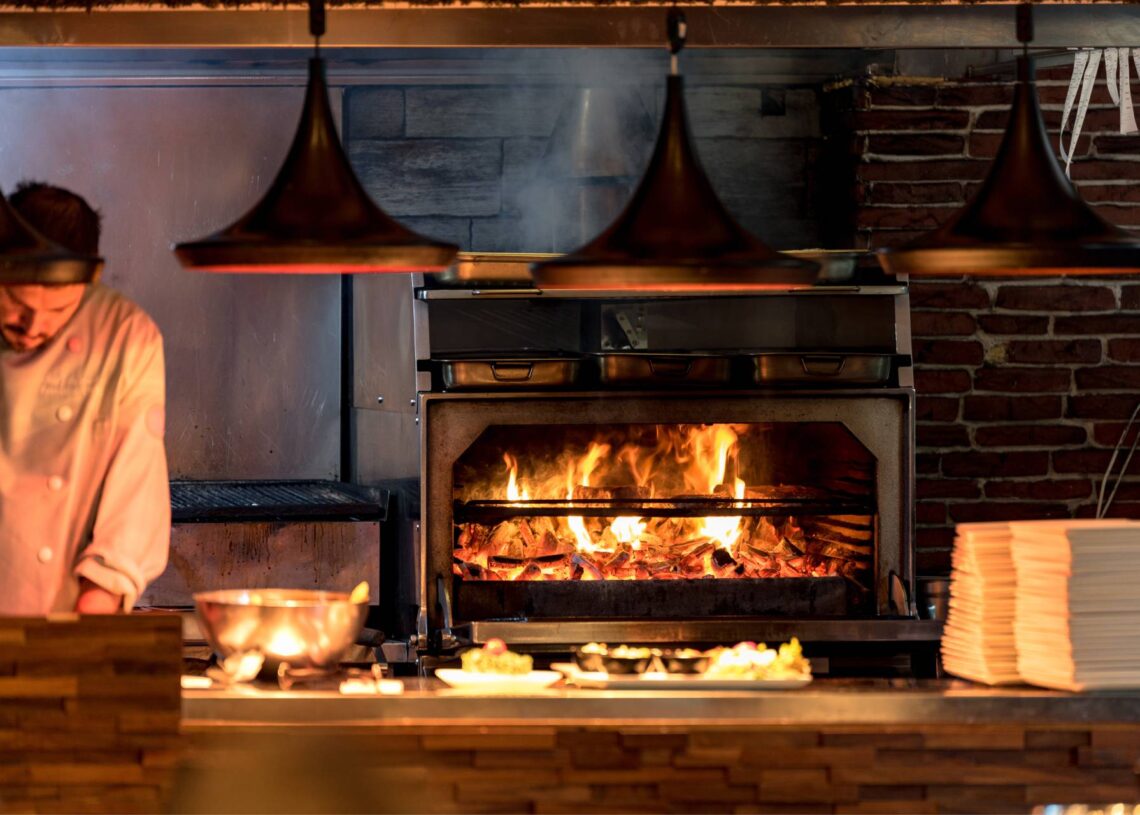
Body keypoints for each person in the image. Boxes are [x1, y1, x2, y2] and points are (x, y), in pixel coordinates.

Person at [0, 181, 170, 614]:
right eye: (15, 303)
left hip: (65, 610)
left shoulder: (124, 335)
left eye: (58, 311)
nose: (33, 326)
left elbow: (137, 478)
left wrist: (98, 605)